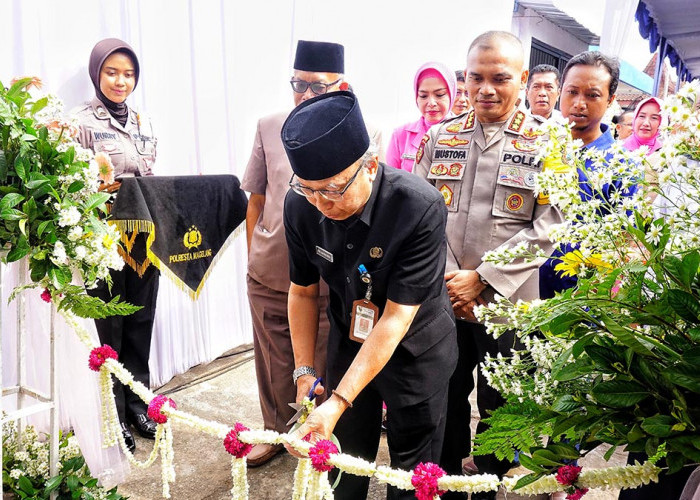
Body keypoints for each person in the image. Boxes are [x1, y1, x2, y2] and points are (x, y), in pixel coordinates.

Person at [282, 91, 458, 500]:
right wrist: (304, 370)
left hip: (417, 353)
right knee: (342, 463)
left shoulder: (419, 206)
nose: (320, 204)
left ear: (371, 166)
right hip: (350, 343)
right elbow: (303, 292)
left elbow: (397, 317)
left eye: (333, 189)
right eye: (308, 189)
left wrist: (339, 399)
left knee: (413, 477)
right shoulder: (301, 206)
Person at [413, 31, 563, 500]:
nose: (486, 89)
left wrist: (481, 278)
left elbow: (550, 225)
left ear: (521, 79)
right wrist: (450, 277)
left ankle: (489, 483)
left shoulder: (547, 143)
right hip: (444, 300)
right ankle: (452, 480)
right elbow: (417, 213)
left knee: (501, 403)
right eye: (475, 77)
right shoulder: (441, 136)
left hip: (508, 307)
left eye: (500, 78)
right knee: (447, 396)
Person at [241, 39, 344, 467]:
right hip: (269, 272)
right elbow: (256, 198)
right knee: (272, 359)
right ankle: (272, 431)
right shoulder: (268, 125)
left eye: (318, 88)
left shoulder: (358, 130)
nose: (306, 96)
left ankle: (311, 435)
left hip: (323, 275)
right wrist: (255, 254)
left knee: (318, 360)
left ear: (341, 86)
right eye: (298, 85)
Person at [75, 38, 159, 452]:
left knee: (141, 322)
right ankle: (112, 414)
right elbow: (76, 188)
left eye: (128, 74)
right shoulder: (79, 123)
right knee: (110, 326)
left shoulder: (143, 121)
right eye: (111, 72)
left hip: (144, 240)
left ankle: (138, 404)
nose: (120, 81)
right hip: (104, 243)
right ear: (97, 74)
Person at [385, 62, 456, 172]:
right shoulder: (401, 135)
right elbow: (390, 180)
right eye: (423, 96)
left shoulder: (466, 134)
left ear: (451, 95)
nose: (431, 103)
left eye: (439, 95)